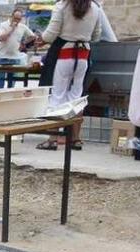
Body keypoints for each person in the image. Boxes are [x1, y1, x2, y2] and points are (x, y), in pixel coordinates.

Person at [36, 0, 101, 151]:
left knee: (57, 96)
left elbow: (51, 34)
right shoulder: (96, 8)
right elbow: (96, 35)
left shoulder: (62, 5)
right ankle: (75, 139)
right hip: (83, 54)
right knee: (77, 97)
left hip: (63, 54)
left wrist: (42, 39)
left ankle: (53, 139)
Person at [0, 8, 35, 88]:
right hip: (2, 57)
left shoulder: (22, 27)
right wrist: (11, 29)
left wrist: (24, 43)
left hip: (14, 57)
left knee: (11, 84)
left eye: (19, 19)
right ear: (11, 16)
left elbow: (32, 36)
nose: (17, 21)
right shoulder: (3, 25)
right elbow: (1, 38)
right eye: (15, 18)